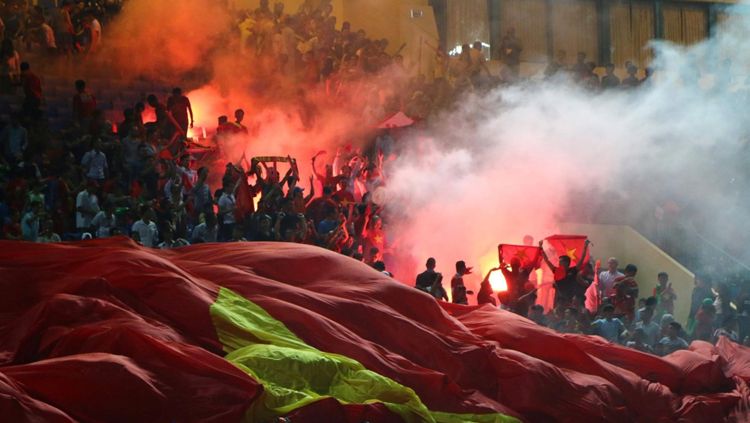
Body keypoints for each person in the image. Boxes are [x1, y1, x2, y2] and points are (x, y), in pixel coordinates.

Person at [541, 239, 590, 308]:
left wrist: (585, 247)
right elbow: (547, 260)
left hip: (571, 299)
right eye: (559, 262)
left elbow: (581, 259)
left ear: (566, 263)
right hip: (559, 299)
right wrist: (541, 247)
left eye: (561, 262)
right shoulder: (556, 271)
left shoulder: (573, 270)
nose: (559, 263)